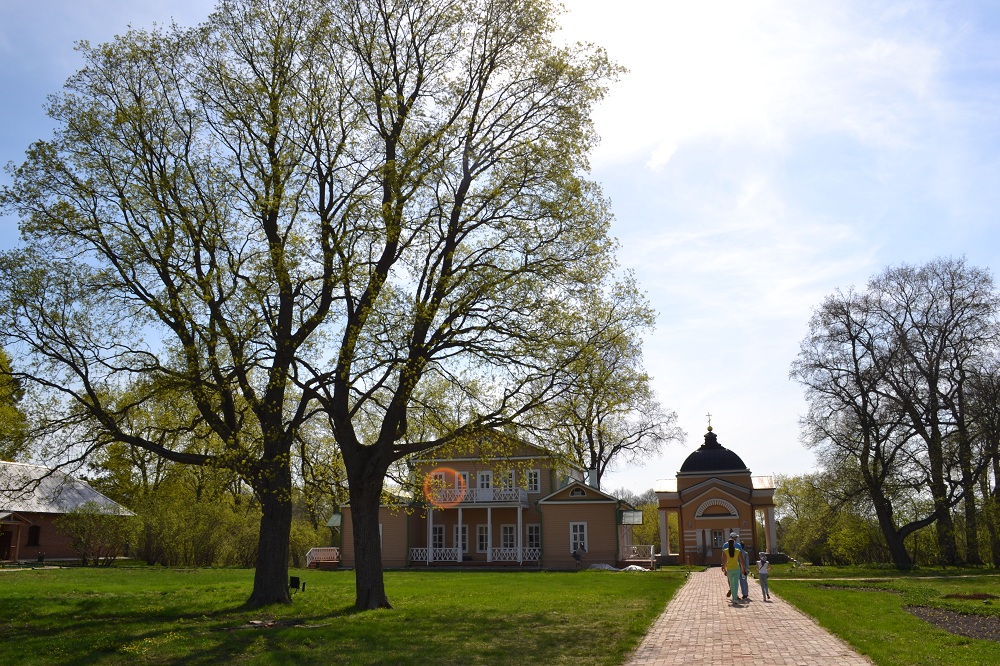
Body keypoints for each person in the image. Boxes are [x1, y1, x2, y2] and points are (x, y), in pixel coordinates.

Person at [721, 537, 745, 604]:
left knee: (732, 583)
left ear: (728, 544)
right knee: (736, 583)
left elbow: (724, 561)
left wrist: (724, 569)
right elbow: (741, 560)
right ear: (734, 544)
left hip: (730, 569)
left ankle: (733, 596)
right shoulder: (737, 550)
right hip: (737, 569)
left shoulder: (725, 551)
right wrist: (743, 568)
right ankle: (735, 598)